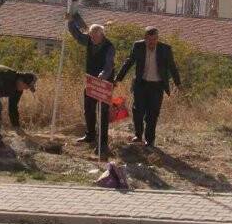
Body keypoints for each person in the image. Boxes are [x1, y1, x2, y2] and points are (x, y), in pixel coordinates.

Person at [115, 26, 181, 147]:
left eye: (154, 39)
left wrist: (178, 84)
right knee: (137, 111)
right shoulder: (138, 46)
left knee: (153, 114)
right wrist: (118, 79)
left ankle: (150, 140)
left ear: (157, 39)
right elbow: (129, 62)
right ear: (145, 39)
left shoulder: (165, 49)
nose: (152, 42)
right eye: (149, 40)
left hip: (157, 86)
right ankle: (138, 135)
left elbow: (172, 66)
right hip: (141, 84)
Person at [66, 13, 115, 157]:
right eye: (91, 36)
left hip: (104, 83)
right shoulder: (88, 40)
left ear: (102, 35)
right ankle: (90, 135)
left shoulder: (109, 46)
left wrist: (102, 75)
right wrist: (70, 22)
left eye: (95, 37)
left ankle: (103, 142)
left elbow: (109, 65)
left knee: (103, 113)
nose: (92, 39)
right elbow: (76, 35)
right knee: (88, 108)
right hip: (91, 81)